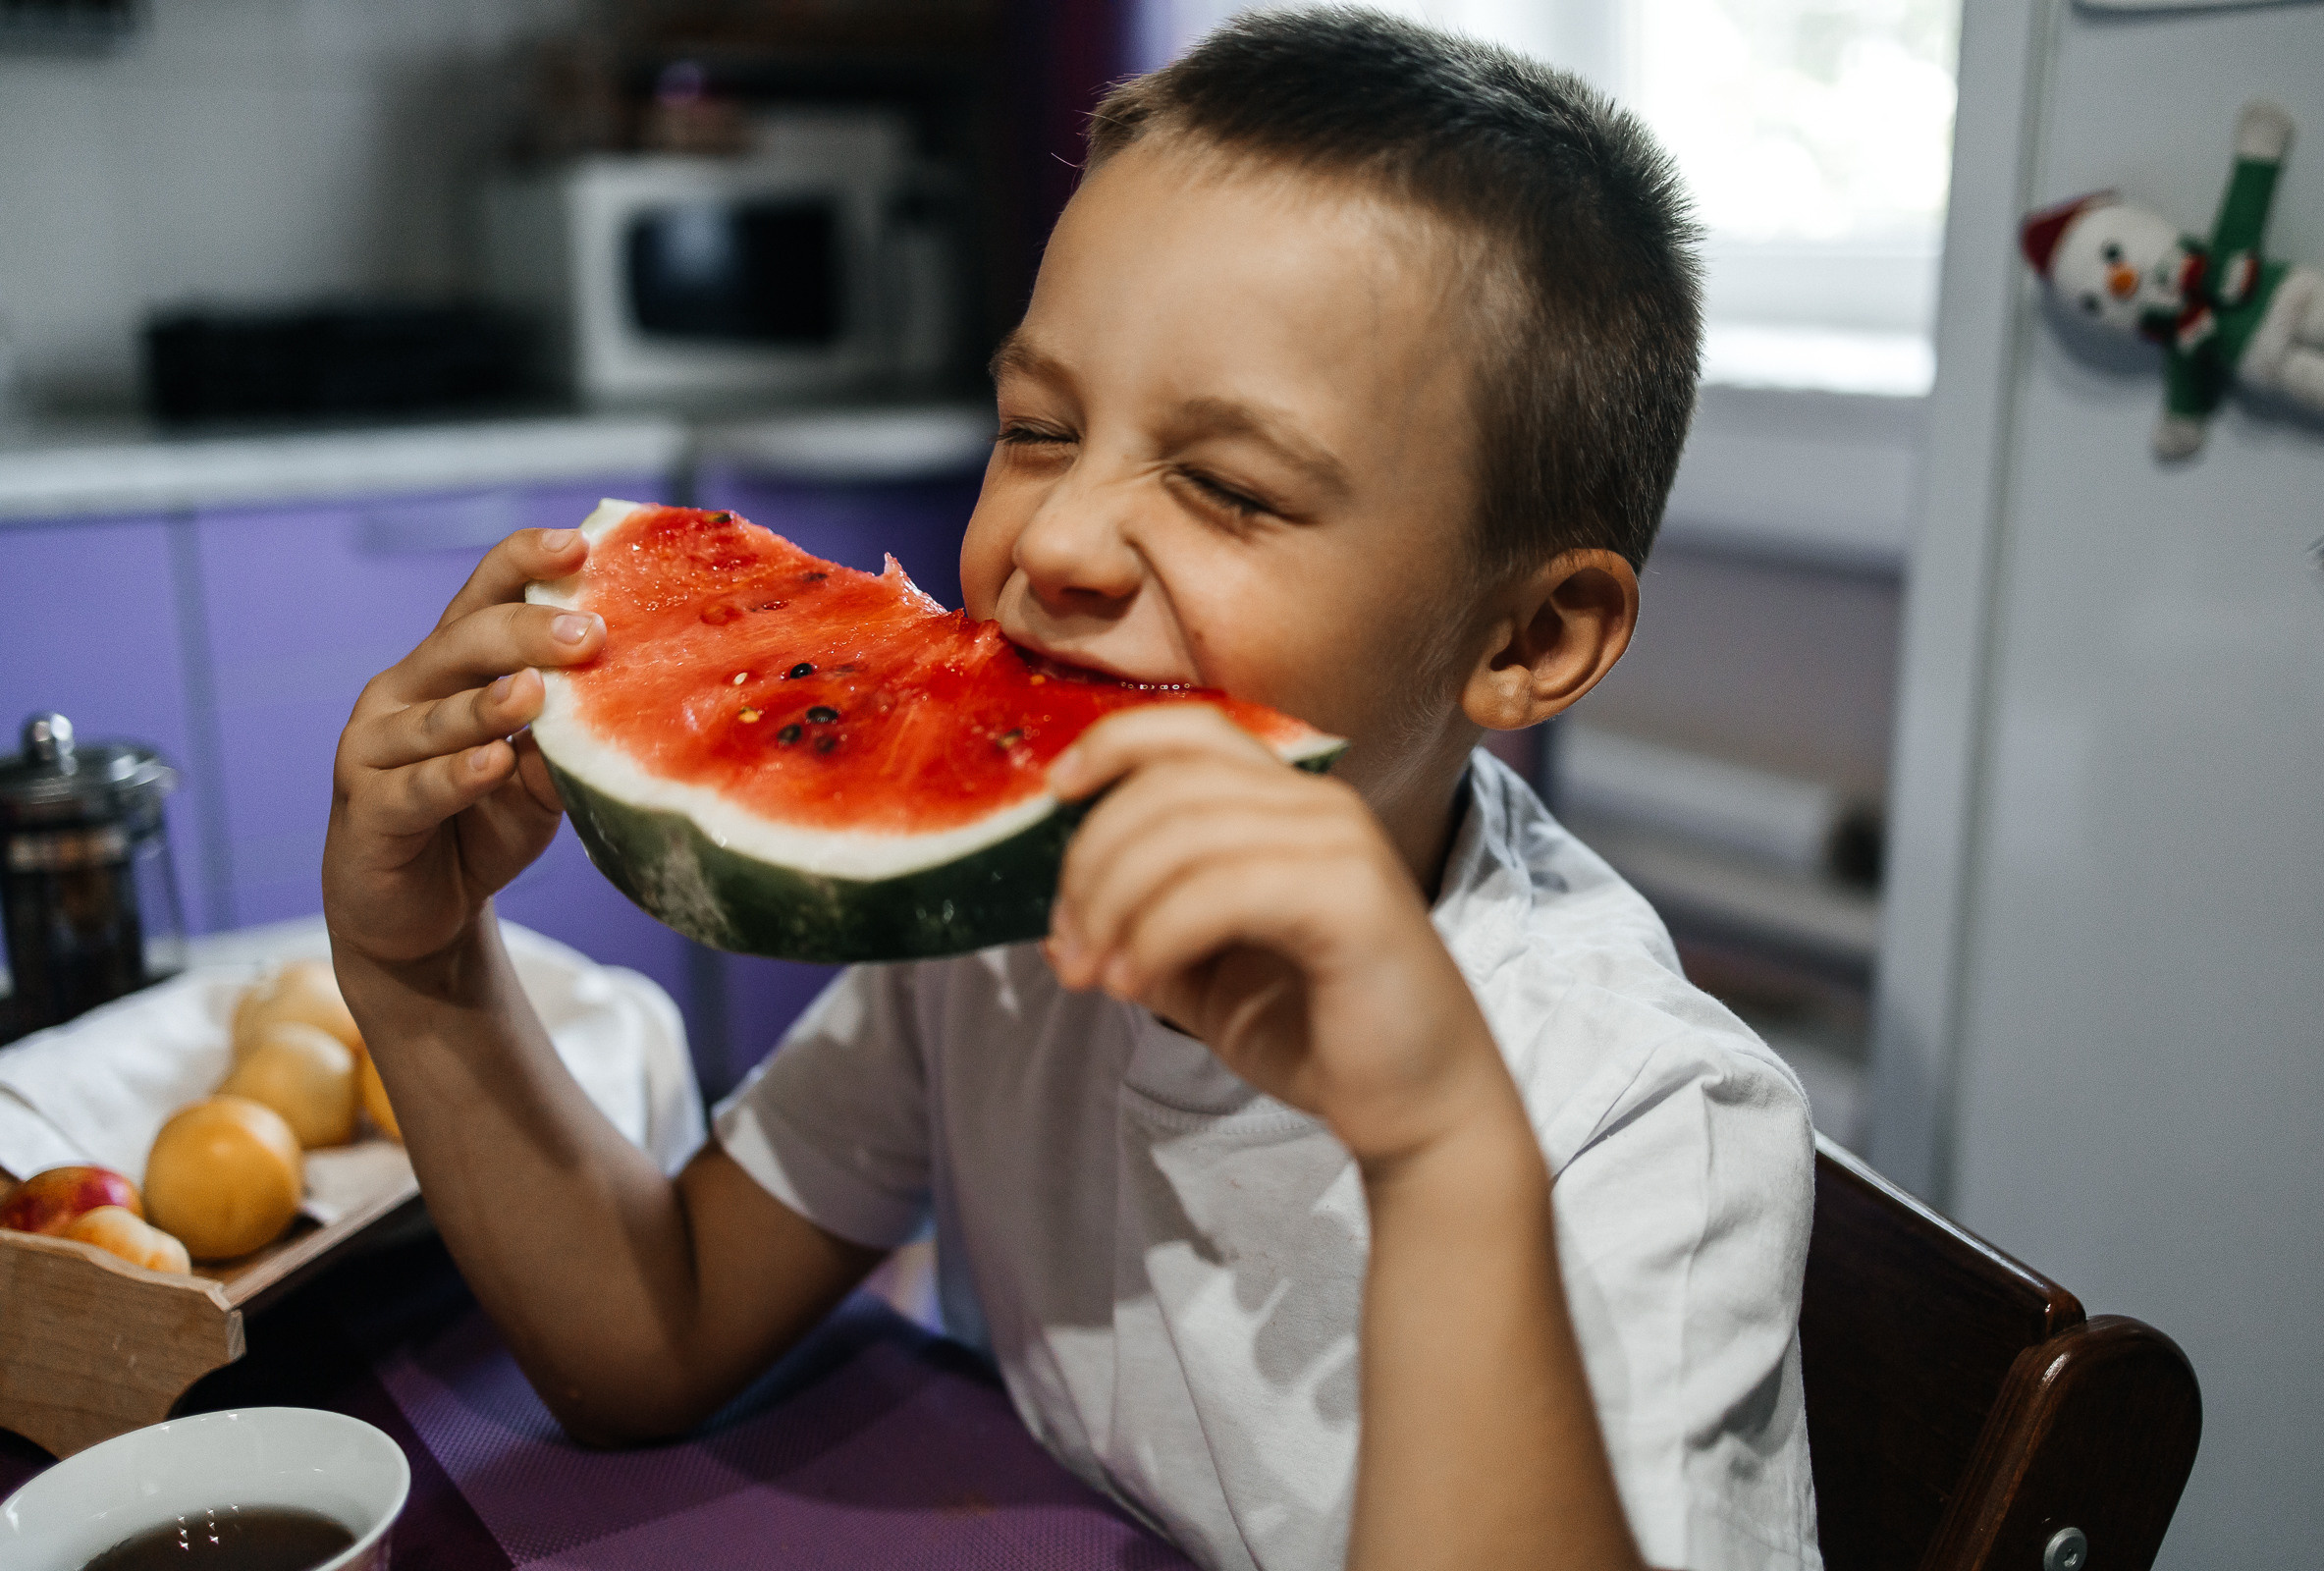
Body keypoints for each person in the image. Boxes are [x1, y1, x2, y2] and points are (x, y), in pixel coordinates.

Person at [322, 11, 1820, 1570]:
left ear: (1531, 637)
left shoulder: (1645, 1131)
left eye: (1230, 487)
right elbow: (657, 1330)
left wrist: (1443, 1157)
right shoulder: (1002, 931)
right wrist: (420, 968)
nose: (1052, 545)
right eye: (1037, 428)